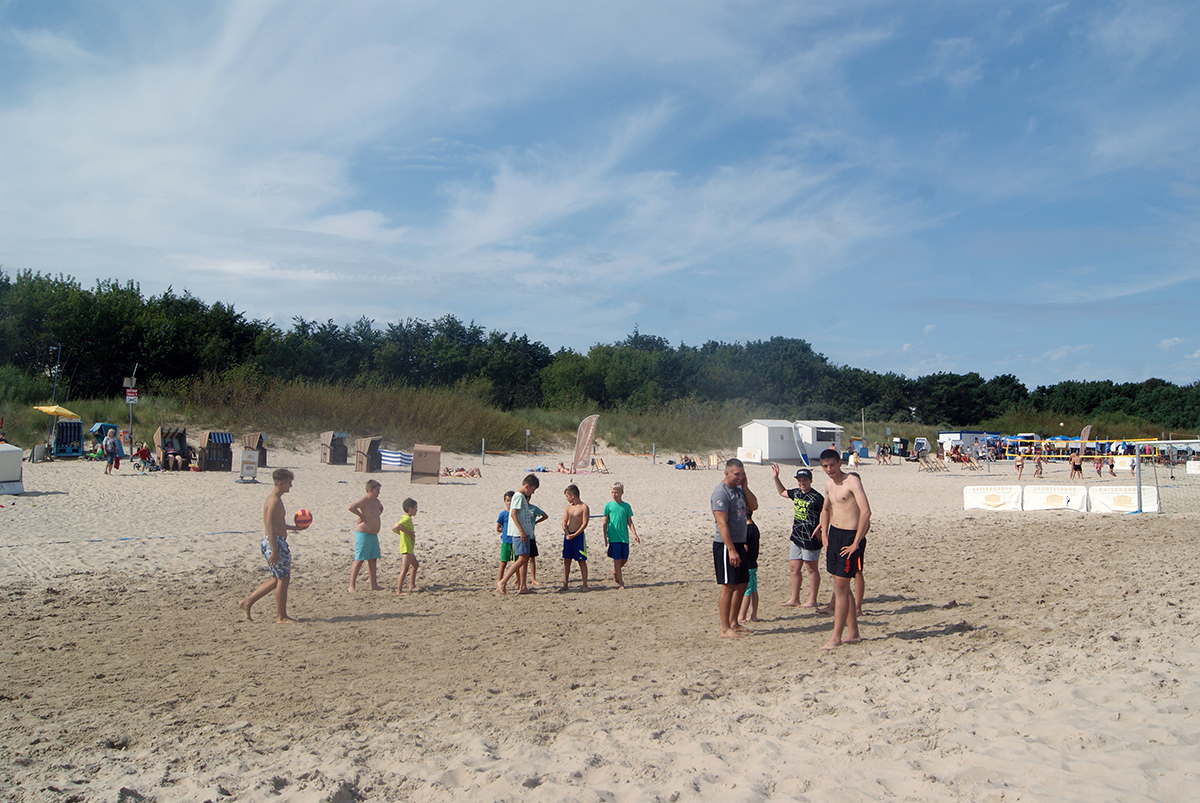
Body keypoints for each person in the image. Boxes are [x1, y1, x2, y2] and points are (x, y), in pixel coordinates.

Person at [817, 449, 870, 650]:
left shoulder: (852, 481)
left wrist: (856, 542)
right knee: (842, 585)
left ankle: (836, 637)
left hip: (850, 536)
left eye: (832, 465)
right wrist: (824, 534)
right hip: (835, 535)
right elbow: (825, 509)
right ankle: (853, 633)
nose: (829, 469)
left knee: (840, 588)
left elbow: (866, 512)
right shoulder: (829, 485)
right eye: (825, 466)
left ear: (839, 463)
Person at [239, 468, 301, 623]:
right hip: (274, 542)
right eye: (289, 482)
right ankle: (281, 617)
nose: (291, 485)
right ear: (280, 483)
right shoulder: (273, 501)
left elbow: (278, 524)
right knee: (283, 579)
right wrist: (274, 550)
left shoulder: (276, 499)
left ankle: (247, 602)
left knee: (277, 579)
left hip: (276, 541)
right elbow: (269, 526)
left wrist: (295, 528)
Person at [711, 458, 758, 638]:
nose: (740, 477)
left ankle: (734, 622)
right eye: (737, 474)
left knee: (742, 583)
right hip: (725, 545)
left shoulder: (739, 490)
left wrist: (745, 487)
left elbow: (754, 506)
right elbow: (722, 523)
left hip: (740, 542)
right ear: (727, 473)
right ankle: (725, 628)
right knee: (728, 585)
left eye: (742, 474)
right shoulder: (720, 494)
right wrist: (731, 549)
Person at [773, 464, 824, 609]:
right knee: (794, 567)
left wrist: (820, 527)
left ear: (810, 480)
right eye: (799, 480)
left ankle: (812, 600)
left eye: (805, 480)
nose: (802, 483)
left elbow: (830, 512)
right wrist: (776, 478)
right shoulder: (796, 493)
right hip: (796, 536)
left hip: (811, 537)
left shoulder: (817, 497)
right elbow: (782, 492)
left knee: (811, 568)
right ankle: (794, 598)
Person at [498, 474, 540, 595]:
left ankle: (523, 586)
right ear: (527, 486)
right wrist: (521, 531)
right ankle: (503, 581)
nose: (533, 492)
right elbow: (513, 514)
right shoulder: (518, 496)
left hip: (525, 533)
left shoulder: (521, 497)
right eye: (532, 490)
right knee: (521, 559)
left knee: (525, 559)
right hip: (519, 533)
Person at [348, 480, 384, 592]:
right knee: (359, 560)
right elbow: (351, 507)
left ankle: (373, 584)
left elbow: (381, 508)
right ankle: (351, 586)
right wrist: (361, 516)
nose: (379, 492)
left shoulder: (376, 502)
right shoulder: (364, 501)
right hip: (363, 534)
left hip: (373, 535)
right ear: (370, 490)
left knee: (373, 560)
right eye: (377, 490)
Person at [603, 481, 641, 588]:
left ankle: (615, 572)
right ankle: (621, 583)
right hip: (614, 537)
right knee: (617, 559)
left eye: (616, 492)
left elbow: (630, 522)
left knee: (624, 559)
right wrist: (605, 536)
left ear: (622, 493)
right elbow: (605, 521)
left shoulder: (626, 506)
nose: (614, 494)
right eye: (612, 492)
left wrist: (635, 534)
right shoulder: (608, 506)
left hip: (624, 537)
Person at [560, 484, 590, 591]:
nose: (567, 499)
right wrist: (566, 532)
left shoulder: (584, 507)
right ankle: (565, 584)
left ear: (572, 496)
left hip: (578, 537)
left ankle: (585, 584)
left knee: (581, 561)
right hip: (568, 536)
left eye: (567, 496)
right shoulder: (568, 507)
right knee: (566, 560)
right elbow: (564, 521)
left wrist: (575, 534)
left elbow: (584, 523)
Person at [738, 509, 761, 624]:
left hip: (748, 564)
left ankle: (742, 616)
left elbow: (745, 547)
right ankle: (754, 614)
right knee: (753, 589)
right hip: (753, 563)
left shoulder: (747, 529)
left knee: (747, 590)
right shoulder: (754, 527)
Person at [392, 498, 420, 594]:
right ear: (410, 509)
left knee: (415, 565)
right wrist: (408, 533)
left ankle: (412, 585)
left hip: (409, 547)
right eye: (415, 508)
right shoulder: (407, 519)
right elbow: (396, 527)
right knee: (404, 569)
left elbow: (397, 529)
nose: (417, 510)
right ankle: (399, 591)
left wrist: (404, 534)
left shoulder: (405, 518)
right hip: (406, 548)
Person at [495, 490, 515, 585]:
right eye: (507, 500)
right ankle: (499, 581)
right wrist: (505, 532)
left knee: (516, 563)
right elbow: (498, 528)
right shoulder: (503, 514)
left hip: (515, 540)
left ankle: (518, 581)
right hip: (506, 541)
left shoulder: (517, 513)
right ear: (504, 501)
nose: (509, 503)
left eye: (511, 500)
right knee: (503, 562)